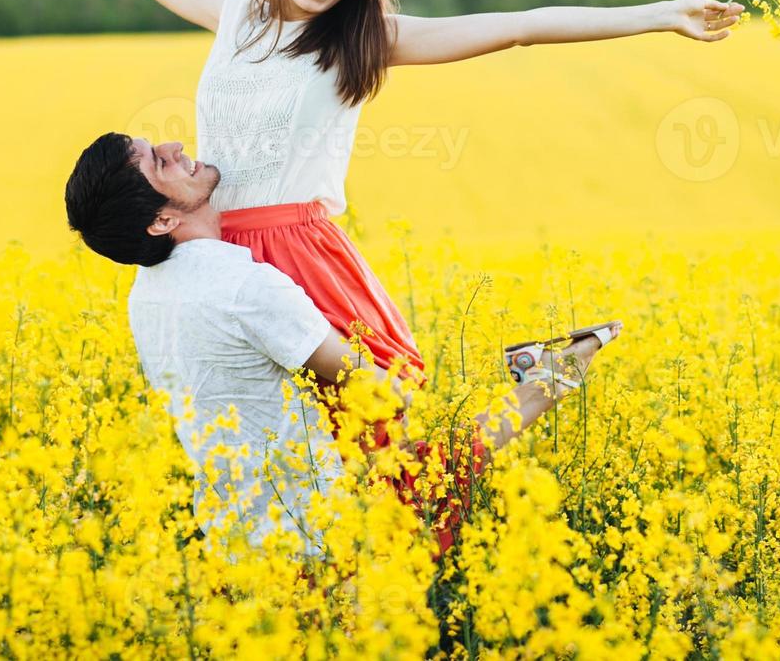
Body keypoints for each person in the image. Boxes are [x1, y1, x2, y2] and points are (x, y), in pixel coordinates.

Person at [26, 0, 738, 396]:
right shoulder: (233, 15)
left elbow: (517, 28)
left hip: (295, 252)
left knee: (384, 435)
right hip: (210, 250)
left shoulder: (360, 41)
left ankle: (538, 377)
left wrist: (658, 13)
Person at [63, 131, 621, 555]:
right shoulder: (243, 285)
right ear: (160, 220)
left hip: (231, 536)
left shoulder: (145, 293)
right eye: (157, 161)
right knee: (434, 472)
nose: (174, 144)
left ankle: (548, 369)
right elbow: (384, 393)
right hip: (317, 533)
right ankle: (557, 371)